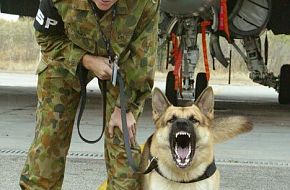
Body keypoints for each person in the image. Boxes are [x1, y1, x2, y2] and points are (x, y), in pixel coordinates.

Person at [19, 0, 159, 189]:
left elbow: (143, 57)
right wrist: (85, 60)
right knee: (49, 140)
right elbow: (46, 38)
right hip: (64, 62)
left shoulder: (145, 3)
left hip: (120, 66)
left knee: (121, 139)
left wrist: (126, 107)